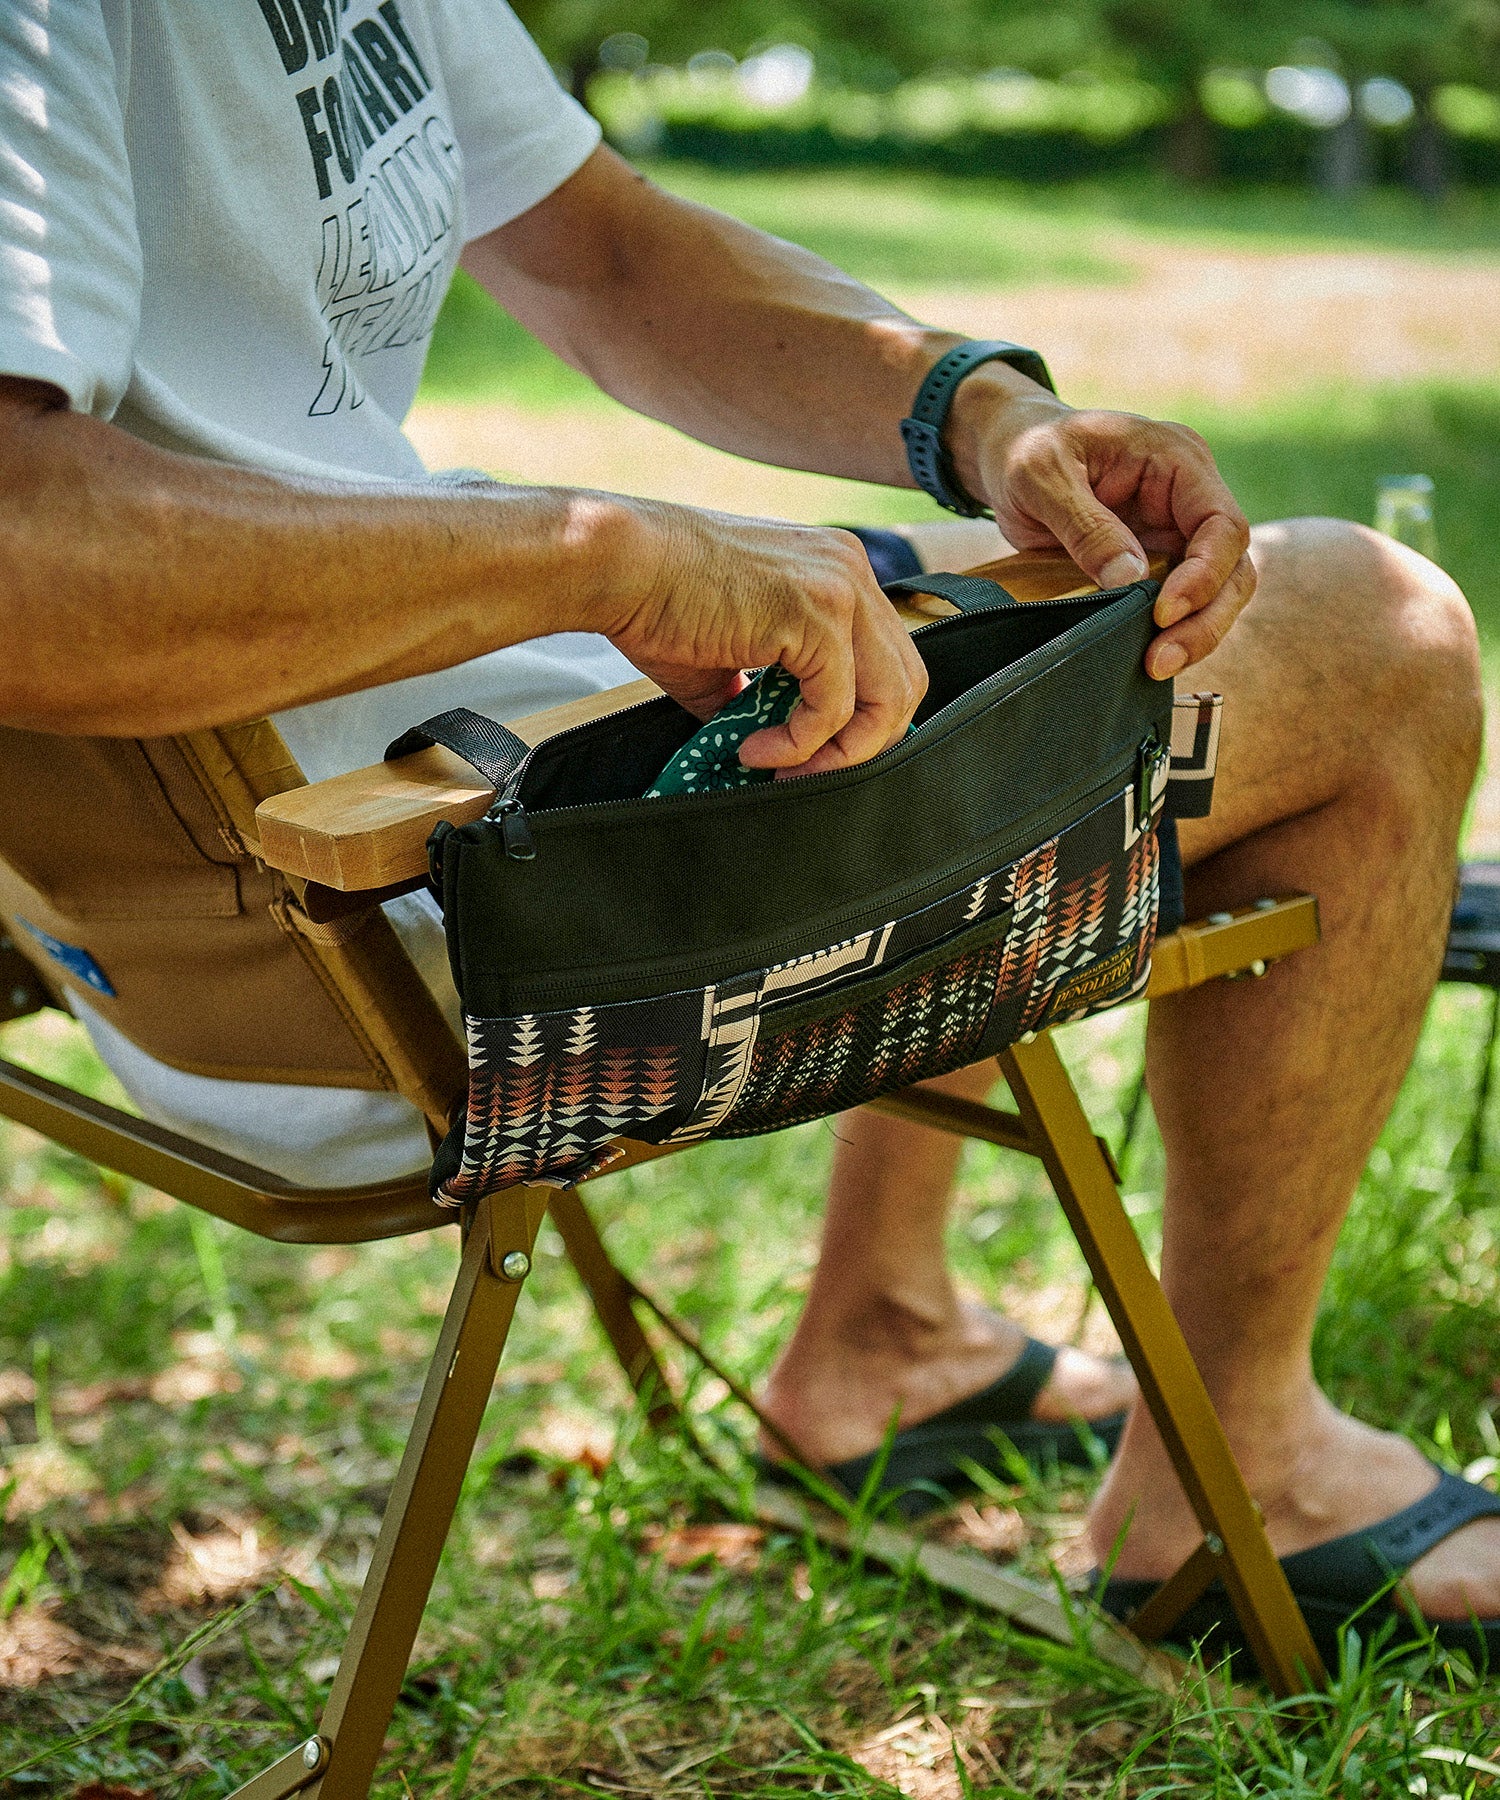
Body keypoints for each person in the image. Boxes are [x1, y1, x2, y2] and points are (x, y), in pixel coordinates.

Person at [0, 1, 1492, 1654]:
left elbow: (607, 259)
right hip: (419, 916)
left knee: (958, 608)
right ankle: (1246, 1474)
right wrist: (602, 556)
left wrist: (979, 416)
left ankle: (883, 1331)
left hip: (313, 868)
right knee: (1371, 638)